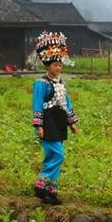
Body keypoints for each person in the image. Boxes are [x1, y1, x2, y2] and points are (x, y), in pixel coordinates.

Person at [32, 31, 79, 205]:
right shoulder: (41, 84)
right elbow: (37, 105)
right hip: (48, 122)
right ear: (48, 66)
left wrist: (72, 122)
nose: (58, 68)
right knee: (57, 155)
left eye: (60, 65)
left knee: (54, 157)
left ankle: (51, 192)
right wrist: (39, 126)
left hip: (59, 123)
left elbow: (67, 103)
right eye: (55, 65)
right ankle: (41, 183)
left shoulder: (61, 83)